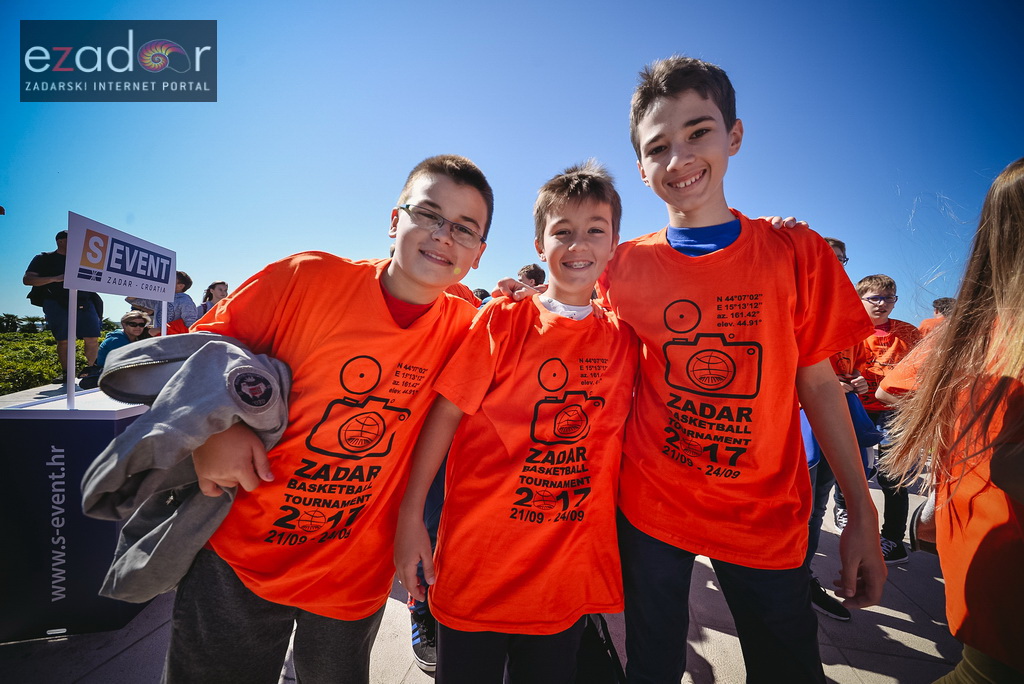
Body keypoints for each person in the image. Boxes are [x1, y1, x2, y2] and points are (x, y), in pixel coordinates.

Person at [592, 55, 885, 683]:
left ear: (735, 136)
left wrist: (861, 512)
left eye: (698, 132)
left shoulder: (795, 251)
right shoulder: (621, 269)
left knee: (787, 665)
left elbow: (819, 386)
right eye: (657, 147)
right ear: (641, 170)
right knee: (652, 664)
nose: (679, 159)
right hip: (652, 508)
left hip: (765, 513)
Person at [161, 155, 493, 683]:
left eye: (463, 228)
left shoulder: (470, 329)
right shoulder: (306, 279)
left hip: (352, 571)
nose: (442, 236)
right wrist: (215, 429)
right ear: (394, 220)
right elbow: (190, 355)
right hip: (241, 555)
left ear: (478, 254)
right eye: (428, 214)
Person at [396, 160, 637, 684]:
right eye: (562, 232)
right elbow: (445, 414)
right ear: (538, 245)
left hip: (563, 575)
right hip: (479, 565)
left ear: (615, 243)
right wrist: (411, 513)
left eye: (595, 231)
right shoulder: (504, 319)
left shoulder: (625, 340)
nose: (578, 245)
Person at [881, 157, 1024, 682]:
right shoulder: (969, 332)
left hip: (981, 557)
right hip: (1002, 571)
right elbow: (889, 388)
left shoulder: (964, 330)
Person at [802, 236, 871, 622]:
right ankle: (788, 581)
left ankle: (802, 579)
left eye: (841, 260)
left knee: (817, 508)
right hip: (794, 423)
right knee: (798, 508)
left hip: (837, 421)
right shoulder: (786, 300)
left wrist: (857, 381)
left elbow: (855, 363)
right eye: (826, 258)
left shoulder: (845, 313)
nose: (834, 265)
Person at [833, 275, 922, 565]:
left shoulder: (908, 332)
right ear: (859, 299)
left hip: (894, 411)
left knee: (893, 477)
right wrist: (842, 381)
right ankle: (843, 505)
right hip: (856, 408)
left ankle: (892, 538)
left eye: (889, 297)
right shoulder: (847, 330)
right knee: (854, 467)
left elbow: (923, 369)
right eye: (875, 297)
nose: (882, 304)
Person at [22, 229, 102, 377]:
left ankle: (93, 371)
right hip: (56, 302)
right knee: (64, 340)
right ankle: (67, 374)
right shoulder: (43, 259)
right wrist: (55, 278)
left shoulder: (83, 259)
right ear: (61, 241)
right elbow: (28, 280)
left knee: (92, 337)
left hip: (85, 301)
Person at [127, 270, 199, 333]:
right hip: (159, 339)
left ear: (180, 286)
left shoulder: (185, 300)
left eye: (171, 279)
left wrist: (161, 330)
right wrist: (147, 285)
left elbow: (190, 325)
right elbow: (131, 299)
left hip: (174, 342)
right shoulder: (160, 299)